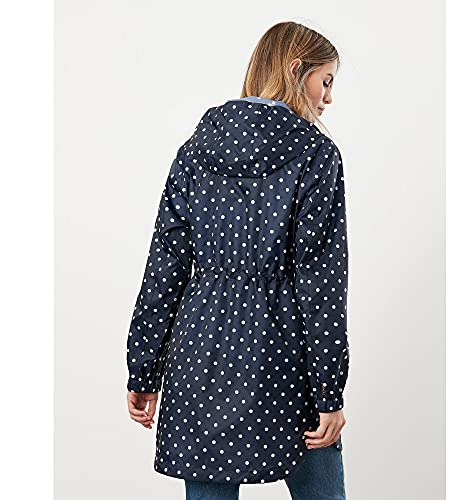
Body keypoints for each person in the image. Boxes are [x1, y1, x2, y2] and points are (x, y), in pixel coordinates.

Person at [126, 20, 350, 500]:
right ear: (296, 69)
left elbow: (164, 267)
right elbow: (322, 287)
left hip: (198, 354)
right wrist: (330, 393)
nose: (328, 98)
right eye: (326, 81)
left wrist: (144, 369)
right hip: (284, 358)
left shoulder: (195, 150)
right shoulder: (316, 155)